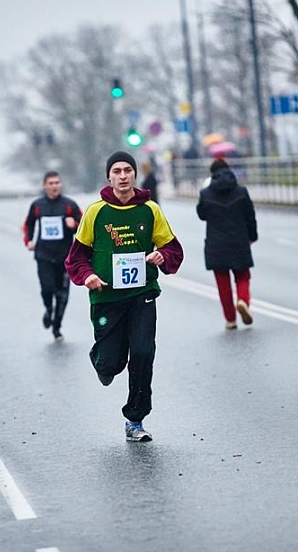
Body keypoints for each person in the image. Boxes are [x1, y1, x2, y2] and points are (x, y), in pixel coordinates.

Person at [65, 151, 183, 442]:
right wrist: (88, 276)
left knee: (143, 353)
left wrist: (162, 255)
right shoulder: (95, 212)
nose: (122, 176)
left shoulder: (150, 210)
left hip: (142, 294)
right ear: (109, 177)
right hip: (107, 299)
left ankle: (135, 419)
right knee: (111, 363)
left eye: (127, 170)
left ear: (134, 174)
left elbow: (173, 250)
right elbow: (76, 258)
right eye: (116, 171)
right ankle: (100, 359)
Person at [197, 158, 258, 329]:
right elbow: (250, 216)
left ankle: (230, 319)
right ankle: (243, 301)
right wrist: (252, 236)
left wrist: (204, 195)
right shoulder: (241, 191)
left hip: (216, 245)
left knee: (223, 284)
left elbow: (201, 215)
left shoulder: (206, 193)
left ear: (212, 174)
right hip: (239, 241)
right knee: (243, 276)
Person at [23, 171, 82, 341]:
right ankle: (49, 309)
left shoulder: (69, 205)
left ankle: (57, 327)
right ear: (44, 186)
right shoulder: (37, 205)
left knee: (62, 295)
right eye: (51, 183)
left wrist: (74, 224)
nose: (54, 186)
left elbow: (85, 227)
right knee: (48, 289)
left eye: (57, 182)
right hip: (44, 255)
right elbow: (28, 225)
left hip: (65, 257)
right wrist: (29, 241)